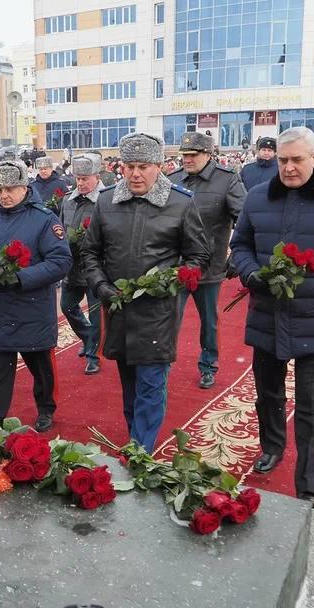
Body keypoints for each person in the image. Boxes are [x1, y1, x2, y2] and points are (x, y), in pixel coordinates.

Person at [229, 126, 314, 507]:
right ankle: (272, 445)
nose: (288, 168)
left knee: (311, 404)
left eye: (297, 160)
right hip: (267, 313)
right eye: (283, 160)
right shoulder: (258, 197)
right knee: (268, 394)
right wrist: (249, 272)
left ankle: (308, 485)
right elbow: (239, 244)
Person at [82, 133, 211, 452]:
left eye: (143, 166)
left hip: (157, 312)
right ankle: (135, 443)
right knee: (129, 383)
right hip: (118, 308)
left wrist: (170, 282)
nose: (136, 174)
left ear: (160, 167)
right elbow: (90, 252)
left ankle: (141, 452)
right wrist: (101, 286)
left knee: (151, 385)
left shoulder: (181, 202)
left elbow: (199, 256)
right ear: (121, 168)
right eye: (129, 166)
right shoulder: (106, 200)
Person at [0, 160, 71, 431]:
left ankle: (46, 408)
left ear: (25, 187)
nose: (4, 195)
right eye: (0, 189)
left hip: (31, 310)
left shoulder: (44, 219)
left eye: (11, 188)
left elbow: (60, 261)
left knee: (41, 369)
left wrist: (21, 278)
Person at [168, 132, 247, 389]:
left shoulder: (227, 180)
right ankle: (163, 362)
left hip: (210, 266)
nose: (187, 160)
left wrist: (239, 252)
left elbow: (244, 219)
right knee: (168, 318)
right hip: (176, 264)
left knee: (209, 322)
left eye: (193, 155)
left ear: (207, 154)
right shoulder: (172, 179)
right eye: (184, 155)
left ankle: (208, 365)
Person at [59, 154, 105, 375]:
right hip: (73, 267)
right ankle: (88, 338)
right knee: (67, 306)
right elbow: (59, 230)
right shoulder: (68, 200)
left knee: (96, 314)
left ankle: (93, 355)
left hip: (97, 268)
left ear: (97, 176)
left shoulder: (106, 200)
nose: (81, 183)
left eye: (85, 178)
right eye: (78, 178)